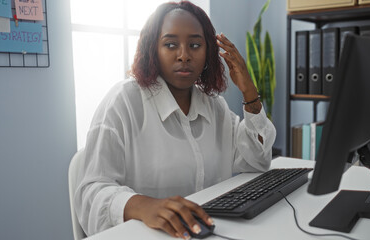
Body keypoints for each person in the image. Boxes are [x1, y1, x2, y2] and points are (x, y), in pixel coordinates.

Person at [74, 1, 276, 239]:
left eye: (195, 45)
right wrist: (145, 206)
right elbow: (90, 193)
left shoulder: (215, 106)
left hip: (208, 231)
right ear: (153, 50)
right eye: (170, 45)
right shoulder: (123, 102)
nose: (183, 56)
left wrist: (250, 92)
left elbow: (256, 161)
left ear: (209, 52)